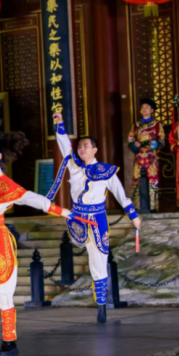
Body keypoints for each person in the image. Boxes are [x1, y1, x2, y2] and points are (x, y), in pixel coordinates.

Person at [0, 102, 72, 356]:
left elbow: (33, 199)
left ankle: (9, 341)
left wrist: (63, 212)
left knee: (3, 293)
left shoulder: (6, 185)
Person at [53, 112, 141, 324]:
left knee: (99, 258)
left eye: (86, 146)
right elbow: (65, 147)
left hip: (97, 218)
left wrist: (133, 216)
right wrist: (60, 125)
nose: (81, 149)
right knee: (84, 248)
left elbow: (121, 194)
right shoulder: (74, 165)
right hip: (77, 217)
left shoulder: (106, 171)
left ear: (95, 149)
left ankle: (101, 305)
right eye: (80, 146)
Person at [128, 98, 165, 212]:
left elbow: (162, 141)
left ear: (152, 110)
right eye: (142, 107)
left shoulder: (157, 125)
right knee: (138, 181)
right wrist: (135, 145)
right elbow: (130, 140)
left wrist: (155, 144)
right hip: (139, 158)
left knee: (152, 180)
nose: (144, 109)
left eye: (147, 107)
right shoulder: (136, 126)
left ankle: (152, 207)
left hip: (151, 158)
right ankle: (138, 206)